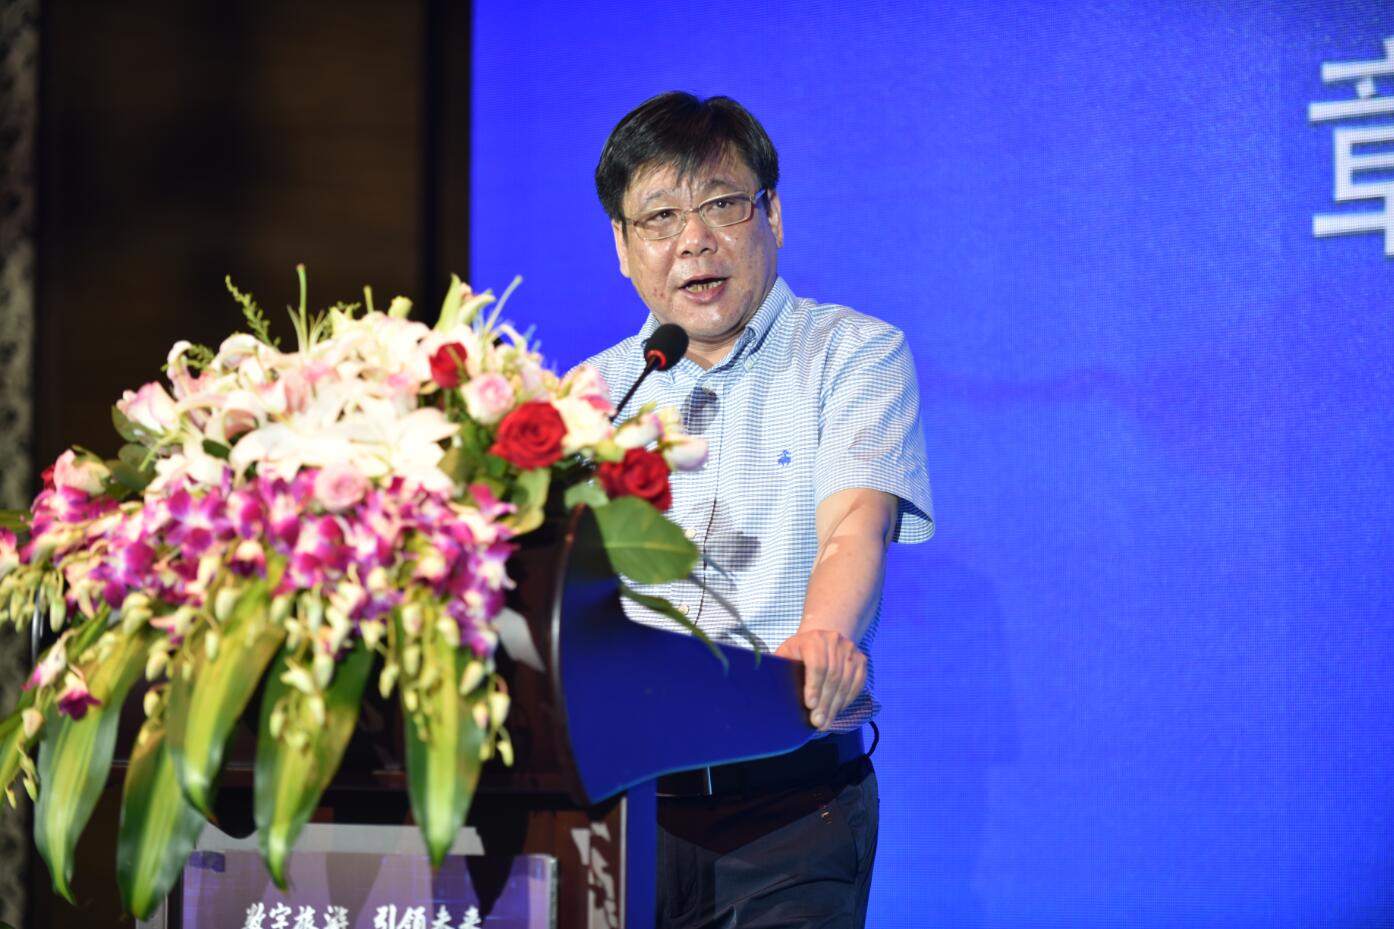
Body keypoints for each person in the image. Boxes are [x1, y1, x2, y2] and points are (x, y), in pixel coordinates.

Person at [584, 92, 934, 929]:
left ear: (771, 215)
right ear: (623, 247)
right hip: (620, 814)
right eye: (660, 217)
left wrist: (822, 637)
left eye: (722, 205)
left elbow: (854, 526)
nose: (694, 240)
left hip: (790, 813)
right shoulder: (593, 395)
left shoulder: (852, 353)